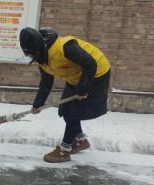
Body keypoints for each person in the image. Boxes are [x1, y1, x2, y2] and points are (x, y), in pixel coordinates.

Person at [19, 27, 111, 164]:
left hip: (96, 74)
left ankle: (64, 150)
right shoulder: (41, 57)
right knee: (65, 109)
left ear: (38, 48)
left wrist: (83, 90)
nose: (32, 58)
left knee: (74, 112)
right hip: (76, 77)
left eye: (32, 54)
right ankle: (81, 140)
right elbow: (46, 81)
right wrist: (38, 103)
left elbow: (90, 64)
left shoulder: (65, 48)